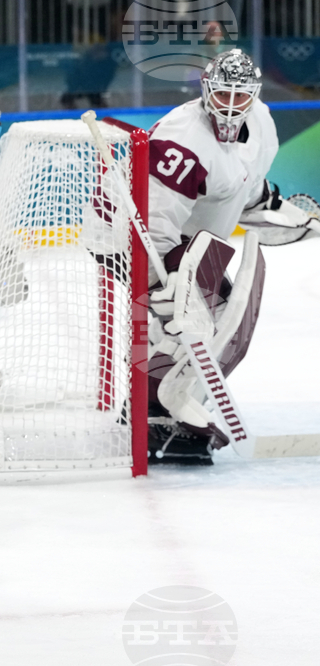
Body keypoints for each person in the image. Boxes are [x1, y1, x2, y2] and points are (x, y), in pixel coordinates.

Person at [145, 49, 318, 464]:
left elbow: (242, 186)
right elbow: (152, 219)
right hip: (139, 237)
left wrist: (282, 213)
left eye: (241, 96)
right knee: (179, 327)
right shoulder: (181, 140)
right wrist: (161, 283)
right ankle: (152, 415)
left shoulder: (261, 123)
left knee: (219, 326)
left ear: (254, 96)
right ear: (206, 90)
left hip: (197, 244)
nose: (230, 105)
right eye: (222, 94)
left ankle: (162, 406)